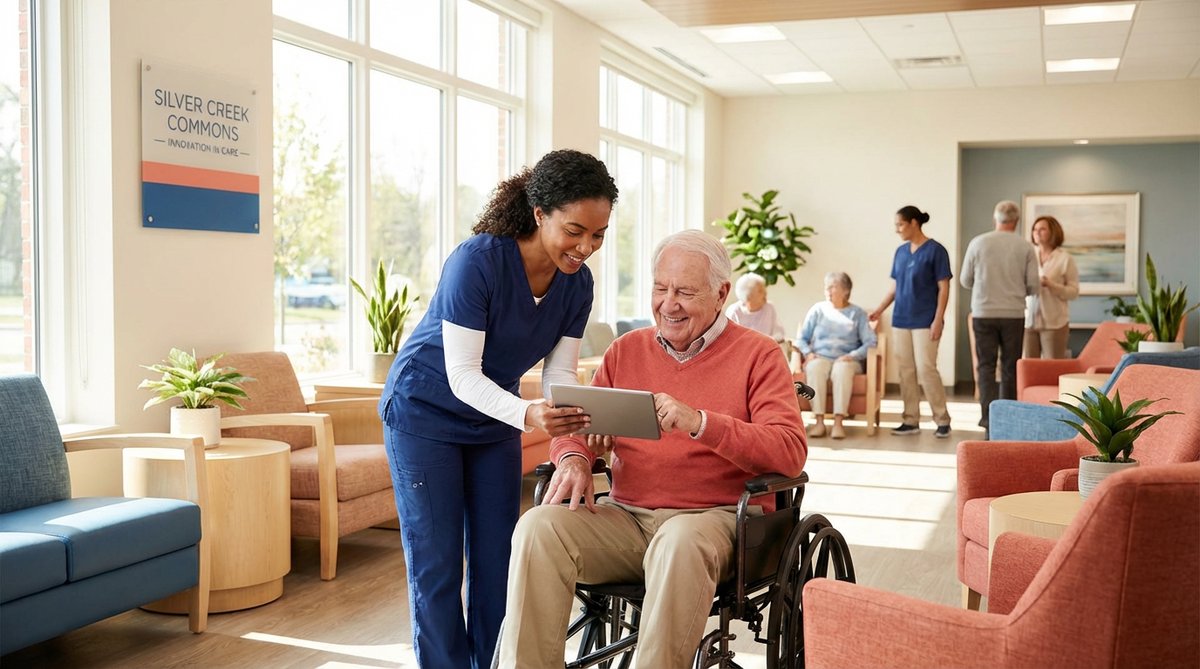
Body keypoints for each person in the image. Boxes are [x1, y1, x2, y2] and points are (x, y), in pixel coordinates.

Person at [495, 230, 806, 669]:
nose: (668, 304)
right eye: (661, 289)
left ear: (721, 294)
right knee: (538, 528)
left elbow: (789, 451)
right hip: (628, 517)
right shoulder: (626, 351)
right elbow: (574, 423)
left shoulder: (760, 354)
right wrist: (576, 457)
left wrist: (701, 423)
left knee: (677, 542)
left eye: (685, 292)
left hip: (718, 521)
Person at [377, 149, 618, 669]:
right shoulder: (477, 262)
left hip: (494, 418)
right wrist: (530, 415)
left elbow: (558, 374)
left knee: (498, 561)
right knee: (438, 565)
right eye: (574, 231)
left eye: (598, 235)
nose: (585, 247)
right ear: (539, 213)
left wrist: (575, 415)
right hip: (425, 412)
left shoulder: (577, 284)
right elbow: (463, 374)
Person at [868, 206, 953, 439]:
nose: (897, 229)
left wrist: (938, 319)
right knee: (905, 370)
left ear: (914, 223)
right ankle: (910, 419)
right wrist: (879, 310)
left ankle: (942, 420)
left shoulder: (936, 251)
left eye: (900, 224)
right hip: (901, 319)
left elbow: (944, 288)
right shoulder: (901, 252)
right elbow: (895, 287)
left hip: (926, 320)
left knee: (926, 369)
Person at [960, 200, 1039, 431]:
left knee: (985, 366)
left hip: (983, 313)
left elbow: (965, 280)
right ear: (1016, 221)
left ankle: (988, 419)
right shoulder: (1025, 247)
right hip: (1013, 314)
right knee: (1009, 366)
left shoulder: (978, 243)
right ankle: (1008, 419)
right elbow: (1034, 286)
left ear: (995, 218)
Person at [794, 271, 876, 440]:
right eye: (826, 287)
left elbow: (871, 341)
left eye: (832, 287)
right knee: (815, 368)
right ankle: (819, 422)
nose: (828, 291)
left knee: (841, 370)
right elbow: (801, 339)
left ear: (846, 290)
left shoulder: (857, 313)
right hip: (820, 356)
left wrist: (852, 355)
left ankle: (839, 422)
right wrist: (808, 353)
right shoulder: (818, 310)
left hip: (847, 359)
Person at [1025, 215, 1080, 359]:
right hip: (1028, 321)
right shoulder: (1028, 256)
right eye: (1035, 229)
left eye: (1042, 229)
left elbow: (1073, 292)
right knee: (1028, 367)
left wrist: (1050, 285)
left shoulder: (1065, 258)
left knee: (1052, 366)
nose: (1037, 232)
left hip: (1054, 323)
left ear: (1053, 232)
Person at [726, 272, 786, 342]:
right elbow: (730, 340)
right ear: (748, 296)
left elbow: (779, 333)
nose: (765, 293)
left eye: (764, 289)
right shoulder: (734, 311)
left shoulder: (769, 308)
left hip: (766, 347)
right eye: (760, 291)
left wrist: (765, 342)